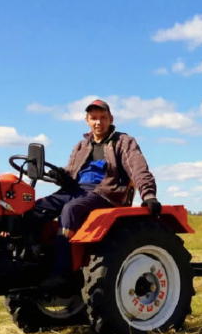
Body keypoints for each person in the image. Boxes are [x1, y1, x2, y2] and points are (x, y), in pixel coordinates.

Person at [34, 99, 162, 289]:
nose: (98, 122)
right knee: (34, 209)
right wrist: (61, 175)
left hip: (105, 193)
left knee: (71, 210)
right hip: (75, 190)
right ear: (87, 120)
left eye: (103, 118)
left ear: (111, 119)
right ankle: (30, 265)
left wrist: (149, 195)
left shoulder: (123, 142)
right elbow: (71, 171)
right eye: (93, 118)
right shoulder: (81, 146)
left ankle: (62, 273)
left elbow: (138, 169)